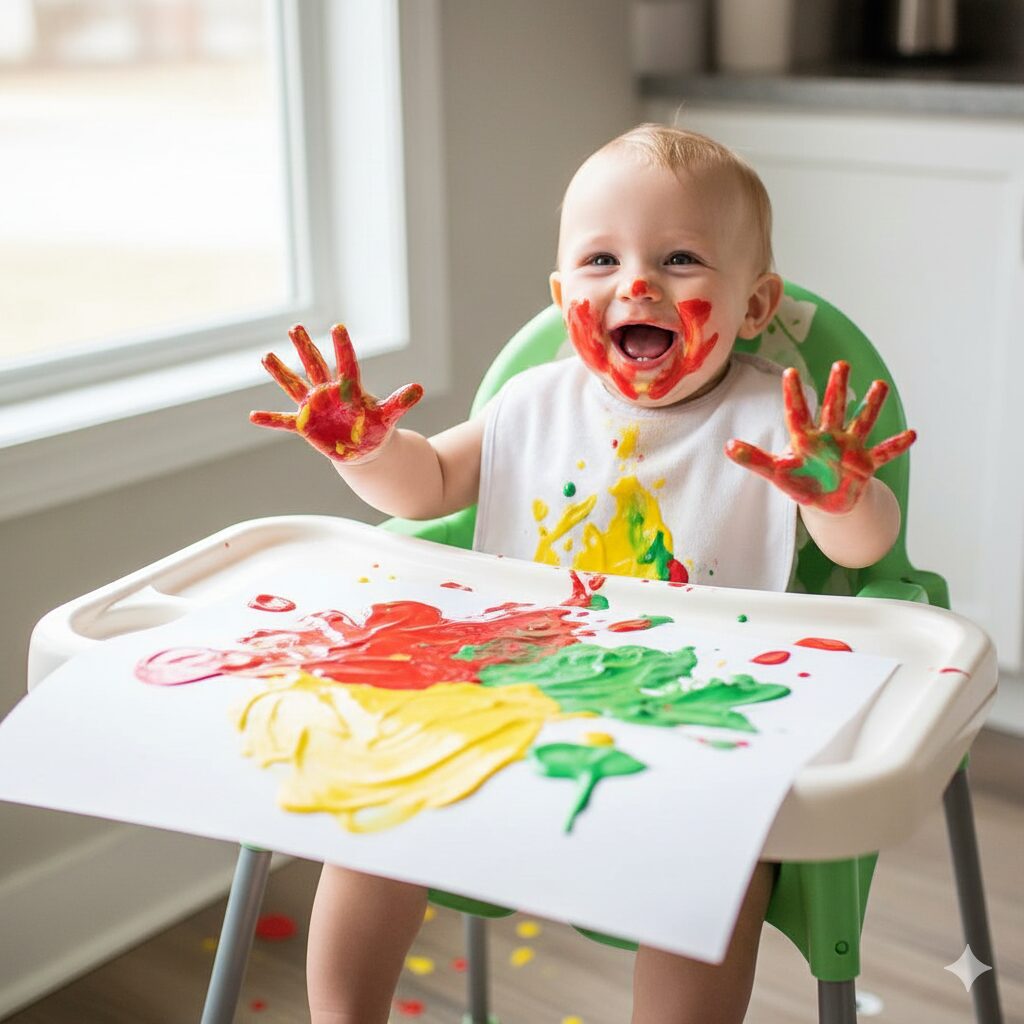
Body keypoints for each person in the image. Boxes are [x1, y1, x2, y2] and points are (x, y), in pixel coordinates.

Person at [251, 123, 915, 1024]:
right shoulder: (532, 402)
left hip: (697, 709)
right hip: (513, 686)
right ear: (563, 295)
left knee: (717, 873)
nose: (635, 283)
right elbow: (427, 488)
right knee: (371, 811)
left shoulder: (775, 423)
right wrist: (366, 453)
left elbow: (866, 555)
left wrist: (841, 496)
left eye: (680, 258)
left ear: (756, 307)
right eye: (602, 260)